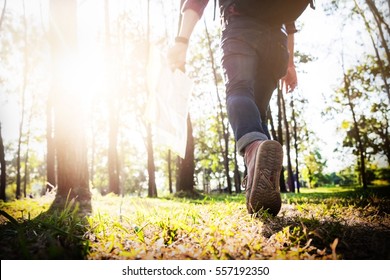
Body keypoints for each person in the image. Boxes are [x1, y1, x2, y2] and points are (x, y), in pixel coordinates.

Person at [168, 0, 298, 216]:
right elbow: (289, 17)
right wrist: (290, 63)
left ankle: (254, 150)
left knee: (239, 91)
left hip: (240, 27)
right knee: (258, 113)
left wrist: (182, 41)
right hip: (277, 42)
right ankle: (260, 188)